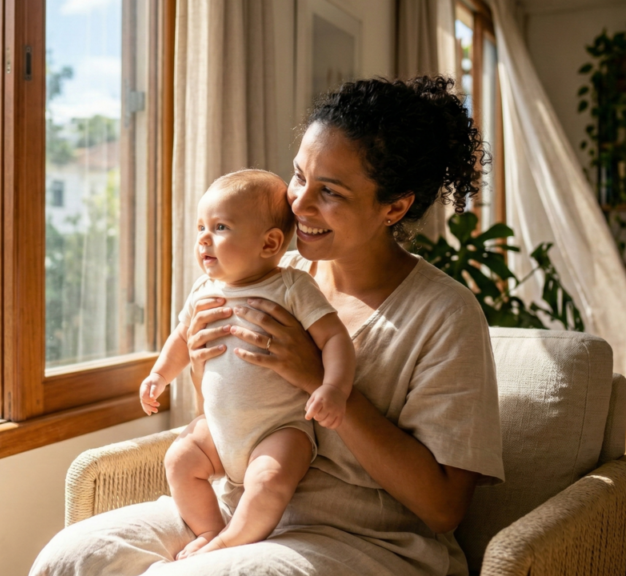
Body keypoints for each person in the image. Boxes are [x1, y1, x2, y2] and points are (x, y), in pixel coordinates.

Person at [30, 76, 504, 576]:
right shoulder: (267, 275)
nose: (299, 204)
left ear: (395, 207)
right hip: (232, 507)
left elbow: (444, 507)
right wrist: (195, 358)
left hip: (364, 539)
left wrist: (314, 376)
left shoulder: (444, 315)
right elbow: (228, 408)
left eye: (331, 192)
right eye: (300, 176)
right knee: (71, 557)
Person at [139, 168, 355, 560]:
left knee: (269, 480)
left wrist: (334, 388)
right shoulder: (204, 290)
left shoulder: (291, 287)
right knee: (180, 458)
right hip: (219, 429)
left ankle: (232, 540)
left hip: (280, 428)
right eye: (201, 226)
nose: (203, 237)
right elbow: (181, 339)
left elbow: (335, 338)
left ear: (270, 242)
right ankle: (209, 530)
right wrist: (159, 375)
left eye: (220, 227)